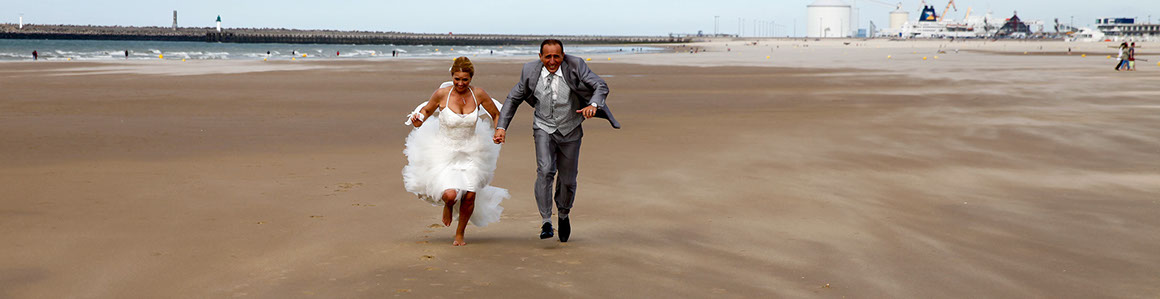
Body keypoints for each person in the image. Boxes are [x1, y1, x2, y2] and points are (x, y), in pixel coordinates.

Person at [493, 39, 619, 243]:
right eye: (548, 56)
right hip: (543, 126)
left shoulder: (576, 65)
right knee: (545, 170)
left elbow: (600, 85)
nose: (552, 61)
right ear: (540, 56)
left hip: (571, 128)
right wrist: (501, 127)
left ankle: (563, 213)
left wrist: (594, 104)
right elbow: (513, 98)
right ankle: (546, 221)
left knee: (568, 179)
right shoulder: (529, 71)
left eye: (556, 56)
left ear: (563, 55)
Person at [403, 57, 507, 246]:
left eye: (465, 80)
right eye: (457, 79)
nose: (460, 83)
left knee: (469, 195)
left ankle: (460, 234)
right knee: (450, 194)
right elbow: (426, 111)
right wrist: (418, 119)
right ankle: (448, 206)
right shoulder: (442, 94)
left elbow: (496, 114)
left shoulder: (479, 94)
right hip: (444, 150)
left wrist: (499, 129)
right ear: (452, 76)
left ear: (471, 78)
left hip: (472, 151)